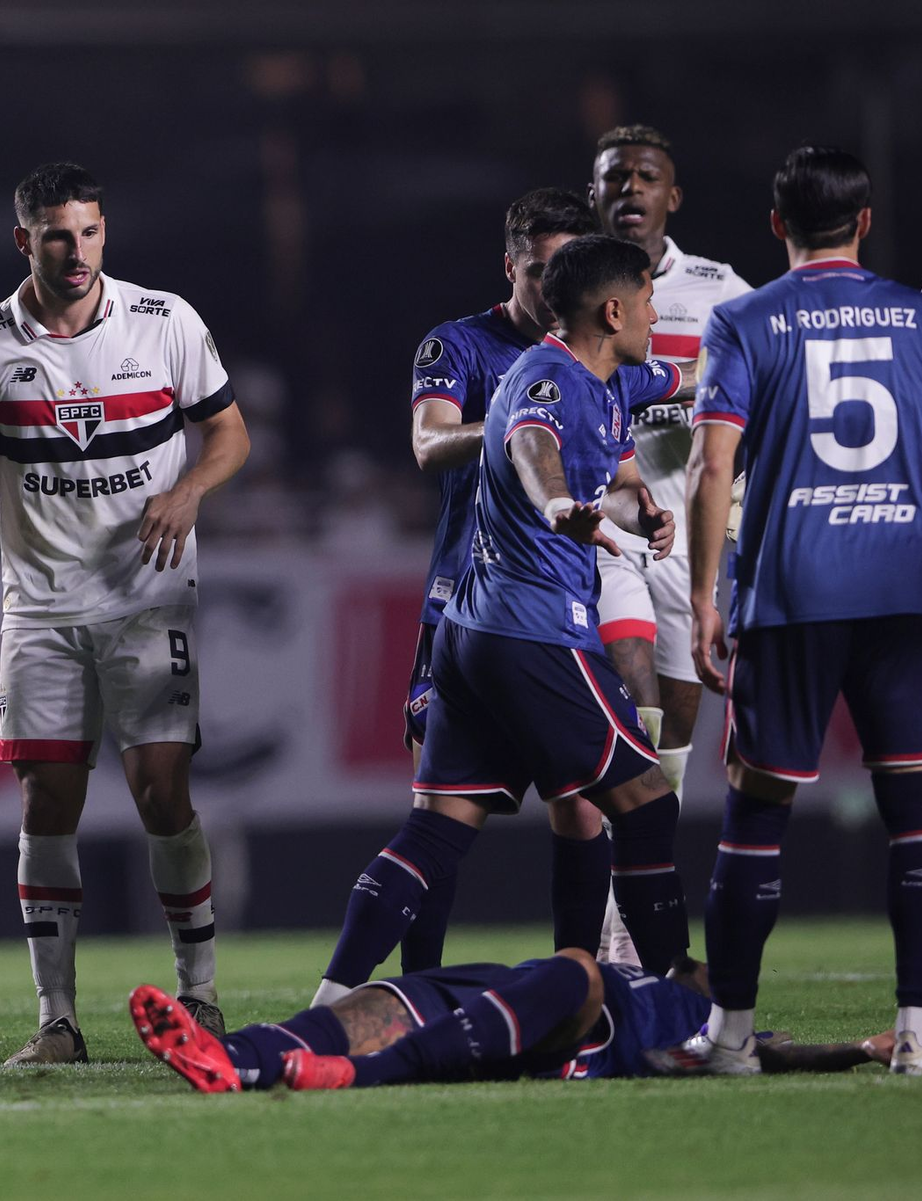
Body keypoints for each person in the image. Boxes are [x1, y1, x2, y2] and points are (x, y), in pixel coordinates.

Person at [312, 235, 696, 1009]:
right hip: (536, 628)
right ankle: (667, 1001)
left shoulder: (612, 372)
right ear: (613, 309)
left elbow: (678, 382)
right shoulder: (548, 377)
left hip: (473, 633)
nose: (659, 316)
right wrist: (556, 501)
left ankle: (327, 1004)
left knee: (437, 827)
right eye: (651, 302)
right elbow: (530, 444)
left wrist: (642, 506)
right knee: (647, 799)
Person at [0, 163, 249, 1064]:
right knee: (48, 802)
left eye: (91, 232)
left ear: (106, 231)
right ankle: (57, 1021)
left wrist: (188, 490)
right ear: (24, 240)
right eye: (58, 236)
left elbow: (230, 432)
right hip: (40, 608)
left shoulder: (164, 321)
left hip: (148, 601)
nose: (78, 252)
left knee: (161, 791)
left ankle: (202, 995)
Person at [683, 146, 922, 1076]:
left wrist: (704, 596)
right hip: (902, 588)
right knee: (912, 819)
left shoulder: (743, 320)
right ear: (863, 222)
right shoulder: (913, 316)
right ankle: (914, 1033)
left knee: (757, 813)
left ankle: (733, 1037)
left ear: (776, 224)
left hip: (792, 590)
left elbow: (714, 467)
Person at [389, 190, 606, 990]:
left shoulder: (593, 352)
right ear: (509, 266)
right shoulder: (459, 346)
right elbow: (427, 445)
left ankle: (579, 986)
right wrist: (526, 414)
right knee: (436, 815)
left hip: (561, 604)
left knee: (582, 805)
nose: (555, 287)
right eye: (541, 270)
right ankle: (417, 991)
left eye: (568, 269)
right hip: (464, 603)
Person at [589, 125, 753, 964]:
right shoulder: (572, 286)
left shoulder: (721, 290)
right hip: (607, 529)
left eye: (646, 176)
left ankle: (628, 918)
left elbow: (763, 382)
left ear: (671, 196)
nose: (631, 188)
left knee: (674, 734)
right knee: (632, 707)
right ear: (595, 195)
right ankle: (610, 922)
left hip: (694, 535)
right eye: (615, 176)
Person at [131, 952, 894, 1092]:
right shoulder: (668, 971)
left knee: (574, 971)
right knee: (377, 1004)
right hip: (504, 991)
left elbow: (773, 1054)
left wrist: (858, 1047)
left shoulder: (716, 1022)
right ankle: (227, 1058)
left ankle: (353, 1077)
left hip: (580, 1027)